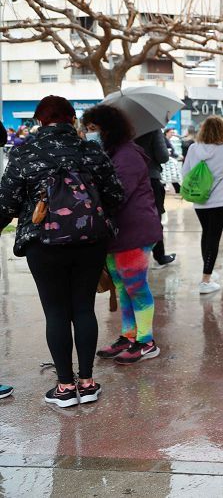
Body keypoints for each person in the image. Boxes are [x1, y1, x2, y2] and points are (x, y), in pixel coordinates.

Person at [0, 96, 124, 407]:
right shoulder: (91, 150)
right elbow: (115, 195)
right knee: (83, 308)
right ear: (72, 119)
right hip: (90, 240)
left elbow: (7, 204)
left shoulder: (25, 151)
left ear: (39, 121)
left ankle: (65, 387)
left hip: (43, 243)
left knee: (55, 311)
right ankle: (88, 381)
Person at [82, 104, 163, 366]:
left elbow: (116, 194)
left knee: (136, 287)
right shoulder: (111, 152)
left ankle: (146, 341)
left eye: (93, 129)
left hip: (134, 232)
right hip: (117, 234)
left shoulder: (127, 155)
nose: (88, 133)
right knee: (123, 287)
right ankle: (129, 336)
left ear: (108, 128)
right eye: (87, 128)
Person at [182, 115, 223, 295]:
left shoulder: (193, 148)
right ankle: (205, 280)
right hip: (220, 200)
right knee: (214, 238)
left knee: (206, 234)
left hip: (200, 200)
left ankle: (208, 271)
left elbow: (185, 173)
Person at [135, 128, 177, 267]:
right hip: (150, 178)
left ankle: (136, 256)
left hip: (127, 178)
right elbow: (163, 156)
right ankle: (159, 255)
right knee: (154, 217)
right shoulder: (152, 127)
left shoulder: (122, 125)